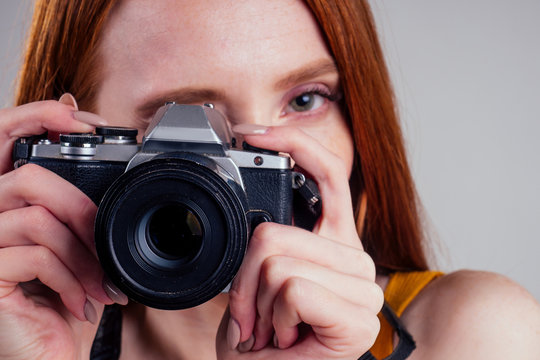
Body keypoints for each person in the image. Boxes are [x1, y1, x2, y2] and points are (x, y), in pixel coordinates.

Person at [1, 0, 539, 359]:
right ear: (72, 147)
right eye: (183, 115)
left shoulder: (475, 335)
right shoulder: (16, 329)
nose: (262, 152)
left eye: (306, 100)